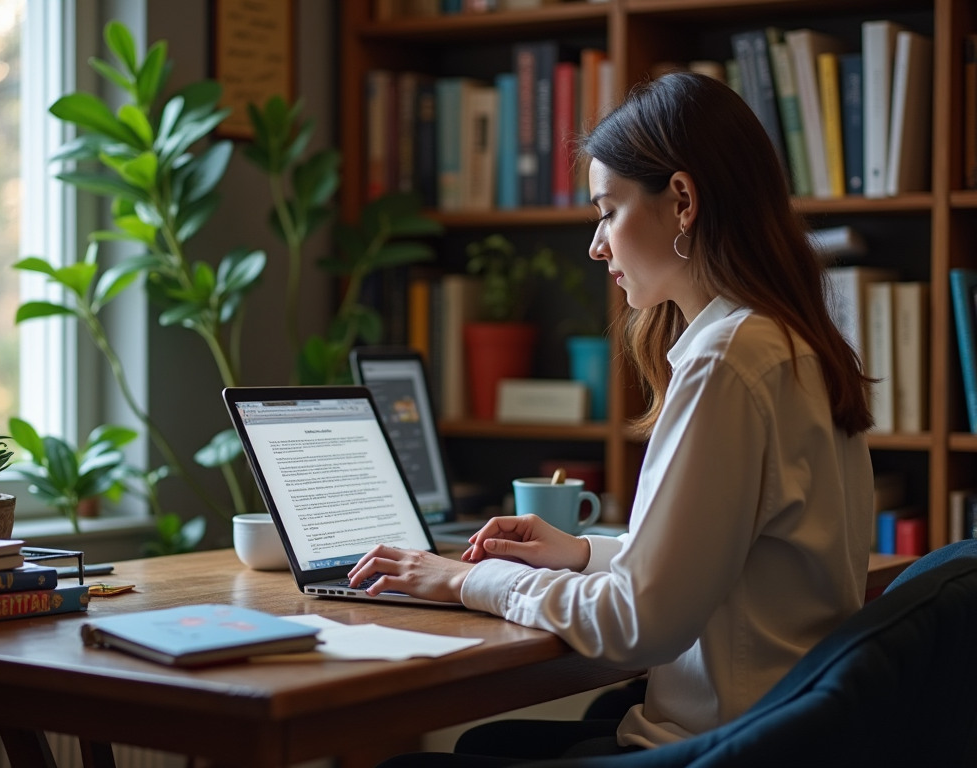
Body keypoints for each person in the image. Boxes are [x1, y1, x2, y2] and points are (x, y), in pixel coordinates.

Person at [350, 71, 874, 766]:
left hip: (718, 747)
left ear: (682, 200)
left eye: (607, 211)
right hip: (779, 731)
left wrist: (462, 581)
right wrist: (579, 552)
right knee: (490, 743)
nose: (597, 245)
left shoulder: (728, 360)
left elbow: (638, 624)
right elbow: (726, 563)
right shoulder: (790, 343)